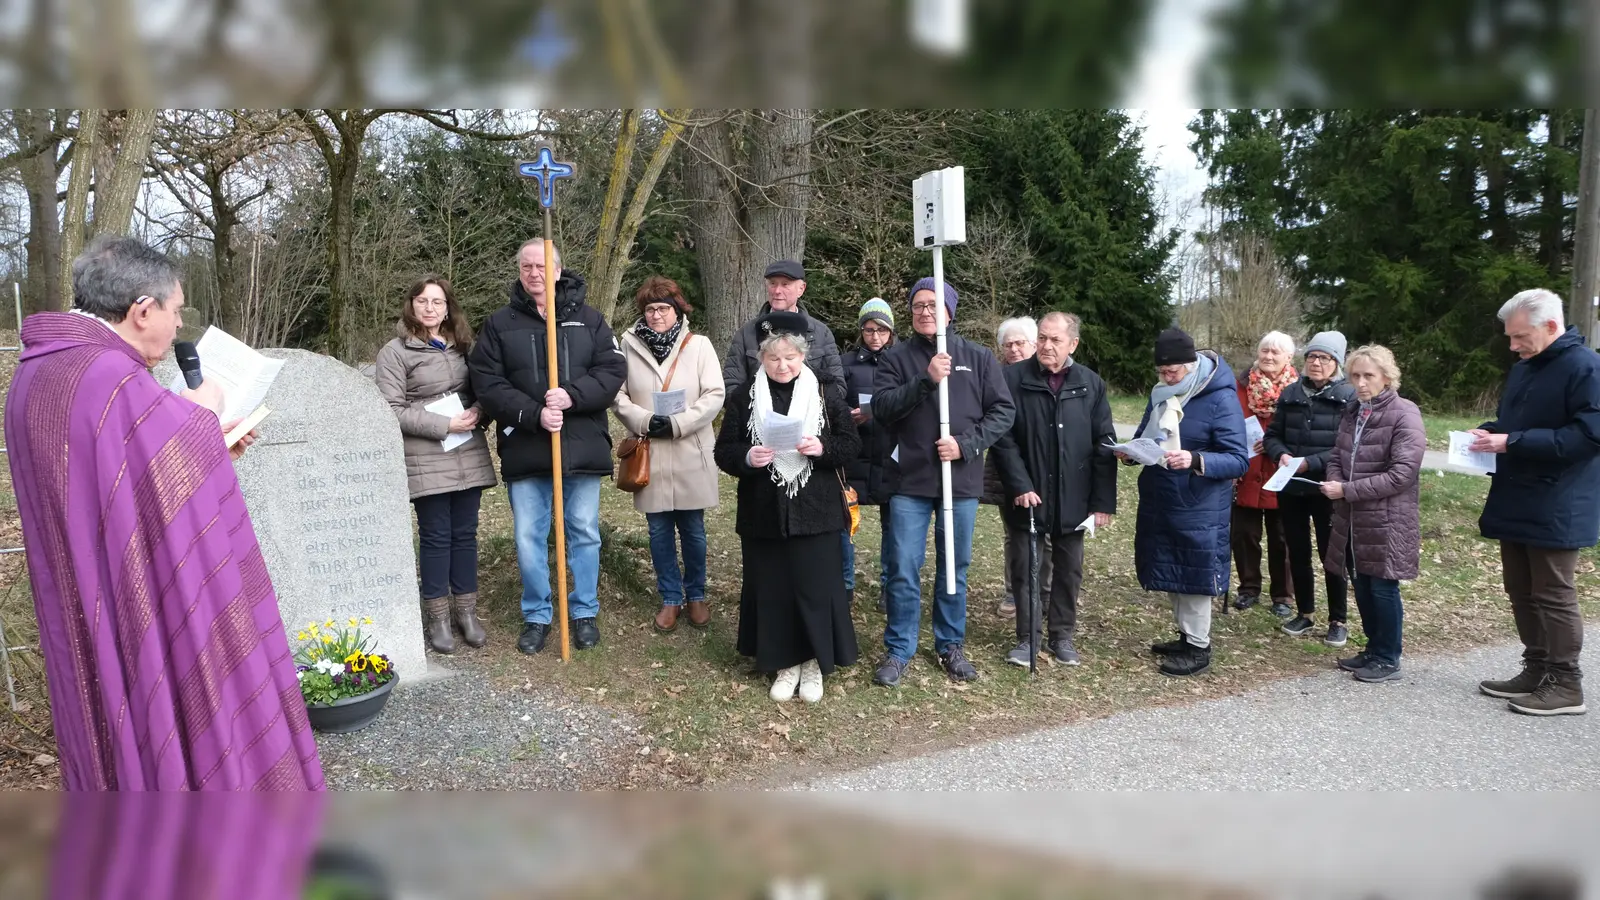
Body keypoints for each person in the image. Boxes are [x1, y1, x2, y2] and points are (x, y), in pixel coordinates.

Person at [3, 234, 323, 789]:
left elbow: (120, 483)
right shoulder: (108, 376)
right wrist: (203, 418)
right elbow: (139, 466)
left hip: (88, 587)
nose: (179, 326)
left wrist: (207, 445)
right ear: (141, 310)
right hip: (134, 600)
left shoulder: (41, 371)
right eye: (175, 312)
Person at [469, 239, 627, 655]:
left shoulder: (589, 321)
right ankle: (538, 614)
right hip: (526, 445)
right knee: (528, 535)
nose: (534, 273)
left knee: (584, 531)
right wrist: (533, 413)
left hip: (581, 445)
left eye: (541, 266)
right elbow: (487, 381)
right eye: (526, 266)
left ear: (557, 270)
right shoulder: (500, 324)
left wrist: (573, 395)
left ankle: (584, 611)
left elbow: (612, 370)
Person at [871, 278, 1015, 686]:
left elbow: (1003, 412)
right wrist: (926, 380)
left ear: (950, 310)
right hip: (910, 483)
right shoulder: (896, 358)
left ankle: (950, 644)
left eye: (933, 305)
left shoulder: (979, 357)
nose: (925, 312)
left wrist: (966, 445)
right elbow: (882, 408)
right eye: (917, 305)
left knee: (955, 567)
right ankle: (899, 648)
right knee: (902, 567)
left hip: (960, 482)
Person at [713, 311, 861, 703]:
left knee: (816, 588)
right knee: (773, 588)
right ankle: (784, 663)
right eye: (774, 358)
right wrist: (748, 457)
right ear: (762, 358)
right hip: (763, 511)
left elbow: (851, 445)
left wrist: (822, 449)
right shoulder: (745, 395)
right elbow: (723, 452)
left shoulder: (826, 391)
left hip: (817, 509)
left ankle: (813, 663)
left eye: (790, 358)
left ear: (803, 357)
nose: (782, 366)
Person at [1472, 289, 1600, 715]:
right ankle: (1536, 667)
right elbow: (1515, 424)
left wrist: (1513, 441)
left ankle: (1567, 685)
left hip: (1558, 500)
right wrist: (1489, 433)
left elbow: (1588, 436)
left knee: (1553, 593)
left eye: (1519, 337)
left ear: (1549, 326)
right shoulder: (1525, 369)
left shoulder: (1586, 367)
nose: (1512, 346)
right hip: (1516, 495)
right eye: (1509, 338)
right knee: (1521, 590)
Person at [374, 276, 498, 656]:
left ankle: (466, 612)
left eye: (438, 302)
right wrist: (444, 425)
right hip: (426, 456)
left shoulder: (464, 346)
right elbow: (390, 410)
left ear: (448, 307)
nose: (430, 308)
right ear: (411, 305)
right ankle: (438, 617)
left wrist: (480, 411)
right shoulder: (395, 352)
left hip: (468, 451)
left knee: (465, 535)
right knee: (436, 537)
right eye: (423, 301)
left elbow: (485, 388)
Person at [992, 312, 1116, 667]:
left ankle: (1062, 636)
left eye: (1055, 340)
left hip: (1074, 496)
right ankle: (1027, 637)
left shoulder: (1091, 383)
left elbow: (1104, 444)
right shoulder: (1012, 378)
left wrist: (1102, 503)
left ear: (1072, 344)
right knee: (1025, 567)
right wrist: (1019, 483)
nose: (1046, 346)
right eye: (1042, 338)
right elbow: (1002, 437)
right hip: (1026, 494)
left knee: (1069, 569)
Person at [1128, 327, 1249, 678]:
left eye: (1173, 371)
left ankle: (1199, 647)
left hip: (1200, 503)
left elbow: (1238, 459)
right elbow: (1145, 436)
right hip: (1163, 496)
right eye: (1162, 372)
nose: (1167, 377)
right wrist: (1132, 453)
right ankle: (1186, 636)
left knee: (1194, 574)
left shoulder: (1220, 397)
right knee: (1173, 569)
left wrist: (1195, 459)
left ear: (1192, 363)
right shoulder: (1161, 393)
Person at [613, 276, 725, 633]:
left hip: (689, 447)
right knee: (659, 531)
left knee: (693, 530)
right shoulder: (627, 347)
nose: (656, 316)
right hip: (650, 451)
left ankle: (696, 595)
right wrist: (645, 420)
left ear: (677, 310)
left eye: (663, 309)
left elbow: (714, 395)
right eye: (650, 309)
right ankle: (670, 598)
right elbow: (617, 396)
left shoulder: (700, 345)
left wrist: (677, 424)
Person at [1322, 345, 1425, 684]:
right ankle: (1373, 647)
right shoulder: (1353, 411)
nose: (1361, 383)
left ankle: (1388, 656)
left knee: (1382, 587)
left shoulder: (1404, 412)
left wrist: (1347, 490)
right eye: (1355, 376)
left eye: (1369, 376)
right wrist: (1336, 480)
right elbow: (1337, 455)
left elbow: (1401, 474)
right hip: (1354, 517)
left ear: (1386, 377)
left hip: (1387, 518)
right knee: (1361, 584)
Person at [1264, 331, 1357, 645]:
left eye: (1325, 358)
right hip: (1291, 486)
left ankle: (1338, 619)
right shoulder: (1291, 393)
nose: (1316, 363)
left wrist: (1310, 462)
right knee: (1297, 551)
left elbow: (1347, 447)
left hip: (1327, 488)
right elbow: (1272, 435)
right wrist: (1282, 454)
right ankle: (1305, 613)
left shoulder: (1350, 396)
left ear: (1336, 363)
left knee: (1332, 554)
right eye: (1312, 357)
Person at [1230, 331, 1297, 618]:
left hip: (1281, 472)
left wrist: (1276, 443)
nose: (1268, 356)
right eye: (1264, 351)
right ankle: (1248, 588)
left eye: (1275, 352)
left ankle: (1283, 595)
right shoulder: (1239, 386)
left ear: (1289, 358)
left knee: (1283, 538)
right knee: (1244, 534)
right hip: (1246, 469)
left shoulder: (1298, 390)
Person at [841, 297, 901, 610]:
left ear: (891, 332)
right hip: (855, 455)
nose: (875, 336)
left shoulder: (903, 361)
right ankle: (844, 584)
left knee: (894, 529)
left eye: (881, 330)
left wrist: (875, 413)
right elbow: (834, 402)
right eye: (868, 330)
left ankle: (890, 587)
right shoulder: (846, 362)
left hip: (893, 456)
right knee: (844, 522)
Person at [982, 316, 1043, 620]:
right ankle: (1013, 591)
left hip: (1045, 466)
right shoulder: (997, 377)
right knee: (1014, 533)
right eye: (1009, 345)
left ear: (1034, 344)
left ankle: (1046, 592)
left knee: (1049, 532)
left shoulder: (1049, 376)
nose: (1015, 349)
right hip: (1006, 466)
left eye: (1021, 343)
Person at [721, 259, 844, 400]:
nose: (777, 291)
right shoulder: (747, 333)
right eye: (773, 283)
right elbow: (731, 387)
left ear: (801, 289)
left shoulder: (821, 333)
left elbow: (838, 387)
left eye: (785, 284)